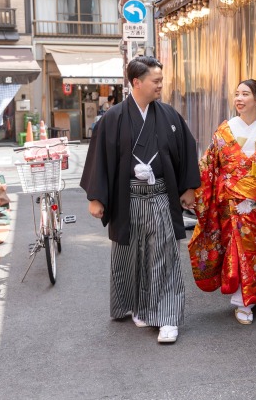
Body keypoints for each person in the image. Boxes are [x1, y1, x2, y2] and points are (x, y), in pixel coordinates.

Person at [80, 56, 200, 343]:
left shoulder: (170, 116)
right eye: (155, 81)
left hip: (159, 196)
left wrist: (189, 188)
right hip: (128, 199)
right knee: (129, 256)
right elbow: (100, 158)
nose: (160, 85)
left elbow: (187, 149)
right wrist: (96, 197)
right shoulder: (113, 118)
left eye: (161, 80)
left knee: (165, 255)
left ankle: (168, 317)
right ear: (137, 82)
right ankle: (135, 306)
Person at [188, 79, 256, 325]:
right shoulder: (224, 130)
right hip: (230, 202)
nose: (239, 98)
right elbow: (208, 164)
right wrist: (197, 191)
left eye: (245, 94)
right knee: (236, 248)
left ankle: (250, 296)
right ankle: (242, 299)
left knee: (255, 250)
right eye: (236, 94)